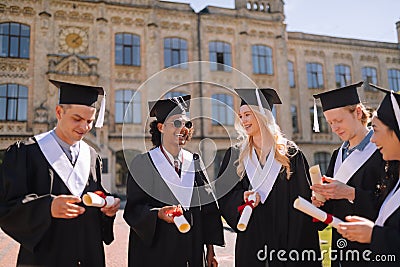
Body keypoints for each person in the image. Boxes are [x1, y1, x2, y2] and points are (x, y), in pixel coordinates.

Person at [0, 80, 120, 266]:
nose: (84, 127)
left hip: (88, 256)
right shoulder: (26, 152)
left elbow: (95, 198)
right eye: (77, 119)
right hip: (46, 258)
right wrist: (46, 208)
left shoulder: (92, 156)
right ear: (59, 112)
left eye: (90, 121)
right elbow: (7, 207)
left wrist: (107, 210)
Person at [215, 88, 321, 267]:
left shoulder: (290, 154)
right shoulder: (235, 156)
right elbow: (222, 198)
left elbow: (303, 202)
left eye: (247, 114)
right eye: (241, 116)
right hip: (251, 243)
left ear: (262, 116)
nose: (243, 120)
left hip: (287, 244)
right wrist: (241, 197)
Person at [123, 95, 224, 267]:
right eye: (177, 123)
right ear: (161, 127)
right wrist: (157, 214)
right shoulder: (143, 164)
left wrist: (211, 251)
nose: (184, 128)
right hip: (155, 254)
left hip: (191, 251)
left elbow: (208, 210)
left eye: (187, 124)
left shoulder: (194, 162)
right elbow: (134, 209)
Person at [311, 81, 387, 267]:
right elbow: (332, 210)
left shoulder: (382, 151)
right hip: (341, 248)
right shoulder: (338, 155)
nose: (334, 128)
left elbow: (389, 204)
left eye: (339, 120)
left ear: (358, 112)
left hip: (372, 248)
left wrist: (350, 193)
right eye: (330, 122)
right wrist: (319, 203)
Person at [336, 84, 400, 267]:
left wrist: (374, 235)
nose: (372, 138)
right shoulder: (394, 180)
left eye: (377, 129)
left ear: (396, 131)